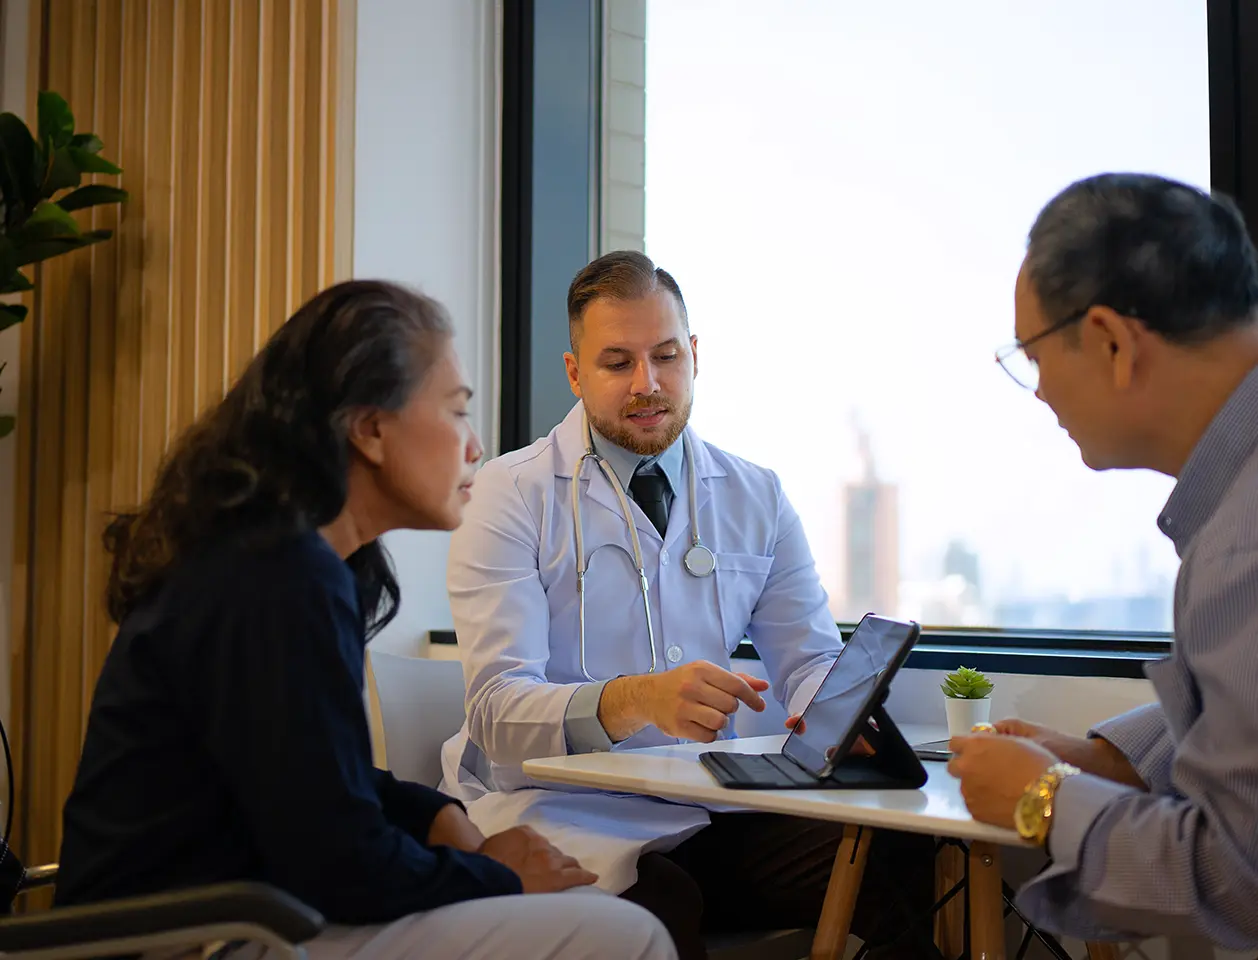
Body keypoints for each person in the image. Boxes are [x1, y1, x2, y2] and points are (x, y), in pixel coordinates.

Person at [56, 280, 676, 960]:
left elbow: (313, 777)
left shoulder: (284, 560)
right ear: (372, 428)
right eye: (456, 411)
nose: (474, 447)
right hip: (187, 938)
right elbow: (340, 864)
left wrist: (432, 813)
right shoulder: (277, 578)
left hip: (231, 914)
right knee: (629, 935)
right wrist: (497, 875)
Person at [440, 252, 932, 959]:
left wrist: (840, 714)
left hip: (714, 807)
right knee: (659, 907)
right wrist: (637, 698)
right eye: (617, 363)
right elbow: (498, 710)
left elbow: (810, 656)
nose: (648, 384)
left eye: (666, 356)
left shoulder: (755, 494)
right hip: (564, 810)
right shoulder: (508, 494)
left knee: (900, 854)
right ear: (575, 373)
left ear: (694, 355)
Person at [949, 173, 1258, 950]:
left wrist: (1046, 799)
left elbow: (1239, 873)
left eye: (1033, 356)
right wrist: (1110, 759)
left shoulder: (1241, 544)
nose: (1042, 392)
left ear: (1113, 341)